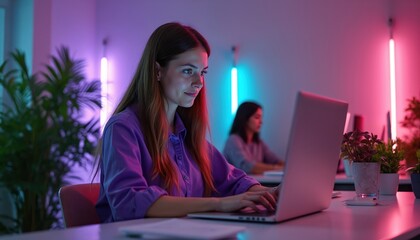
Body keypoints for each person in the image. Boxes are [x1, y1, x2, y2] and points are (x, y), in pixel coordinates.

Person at [93, 22, 278, 223]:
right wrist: (218, 204)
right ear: (157, 71)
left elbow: (233, 180)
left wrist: (269, 194)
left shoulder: (187, 134)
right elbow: (128, 202)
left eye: (203, 72)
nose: (199, 82)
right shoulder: (123, 128)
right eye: (188, 71)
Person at [223, 101, 284, 174]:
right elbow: (245, 166)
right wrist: (276, 168)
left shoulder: (258, 143)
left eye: (261, 117)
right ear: (245, 119)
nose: (261, 121)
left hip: (253, 182)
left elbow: (275, 160)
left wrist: (287, 166)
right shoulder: (233, 140)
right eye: (257, 117)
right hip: (236, 184)